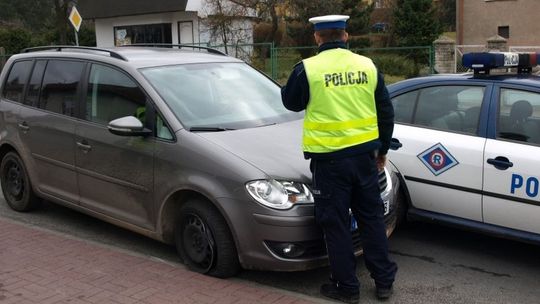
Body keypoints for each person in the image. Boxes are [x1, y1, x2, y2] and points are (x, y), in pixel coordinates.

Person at [281, 15, 397, 304]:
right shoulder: (367, 66)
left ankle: (347, 288)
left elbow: (290, 102)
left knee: (336, 225)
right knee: (371, 219)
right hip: (365, 160)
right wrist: (382, 151)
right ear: (346, 36)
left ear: (318, 38)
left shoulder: (308, 69)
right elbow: (386, 112)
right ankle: (383, 282)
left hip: (330, 163)